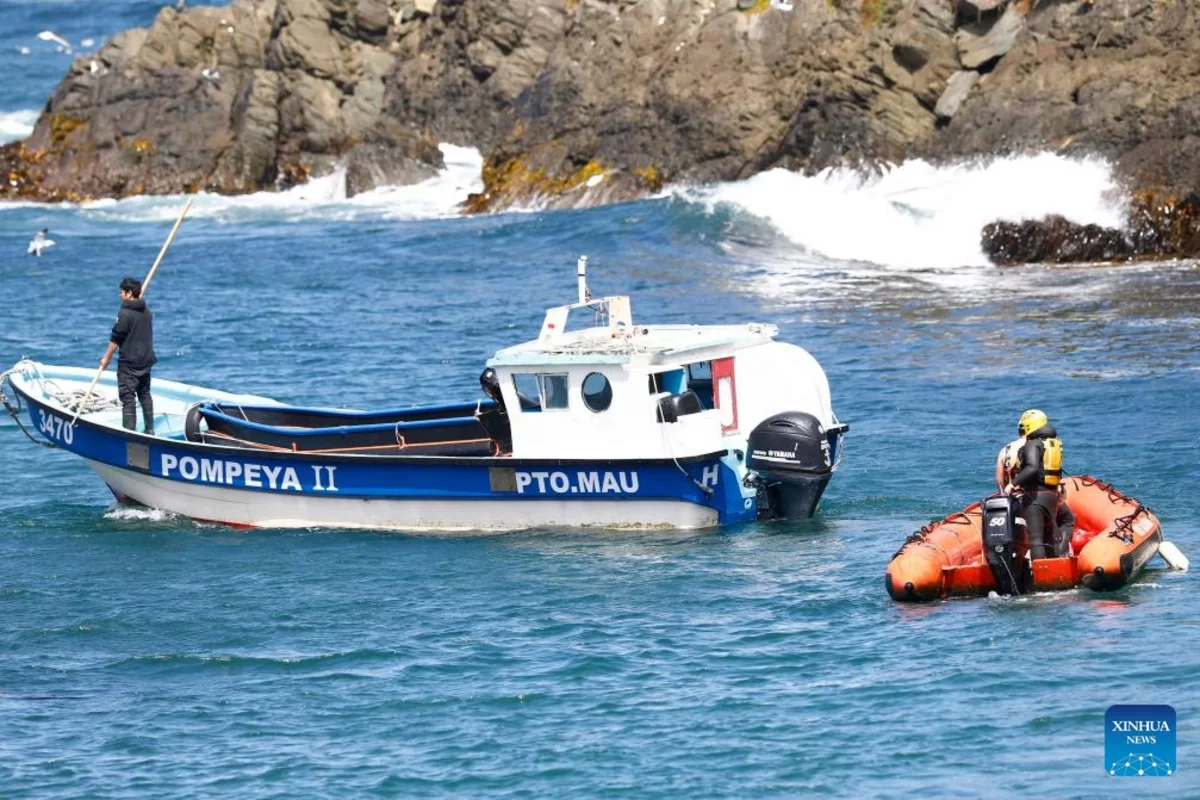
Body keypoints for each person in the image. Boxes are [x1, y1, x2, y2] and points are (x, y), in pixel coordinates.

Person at [1005, 409, 1074, 559]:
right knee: (1049, 537)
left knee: (1036, 540)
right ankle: (1053, 573)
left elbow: (1032, 468)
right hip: (1052, 495)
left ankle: (1039, 576)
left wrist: (1013, 483)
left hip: (1035, 497)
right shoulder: (1053, 444)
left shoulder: (1033, 444)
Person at [99, 277, 157, 434]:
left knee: (128, 397)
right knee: (144, 394)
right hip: (145, 360)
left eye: (122, 292)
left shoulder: (125, 314)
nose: (120, 295)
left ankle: (129, 433)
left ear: (129, 293)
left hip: (129, 363)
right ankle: (150, 429)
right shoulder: (147, 311)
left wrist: (106, 358)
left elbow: (116, 338)